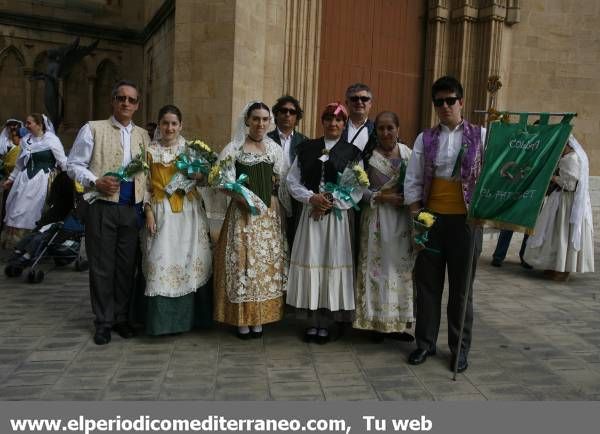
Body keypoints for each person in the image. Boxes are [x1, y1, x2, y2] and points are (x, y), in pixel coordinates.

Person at [404, 76, 486, 373]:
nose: (444, 106)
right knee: (427, 287)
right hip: (431, 220)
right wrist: (416, 214)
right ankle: (424, 344)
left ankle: (459, 349)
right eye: (439, 102)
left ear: (461, 102)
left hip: (466, 222)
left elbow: (492, 176)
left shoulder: (482, 135)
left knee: (462, 289)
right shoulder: (424, 138)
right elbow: (413, 178)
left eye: (450, 100)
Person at [67, 80, 151, 345]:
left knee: (126, 267)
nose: (126, 103)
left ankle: (121, 317)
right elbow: (73, 164)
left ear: (137, 105)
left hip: (131, 208)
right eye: (121, 98)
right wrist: (95, 181)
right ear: (113, 101)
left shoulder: (143, 136)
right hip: (102, 207)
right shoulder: (93, 129)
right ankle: (103, 321)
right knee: (102, 267)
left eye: (131, 99)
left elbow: (147, 174)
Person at [286, 102, 363, 344]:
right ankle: (312, 322)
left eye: (339, 120)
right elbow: (292, 181)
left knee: (330, 263)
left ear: (344, 124)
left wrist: (330, 201)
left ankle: (328, 322)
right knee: (313, 261)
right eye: (329, 119)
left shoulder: (352, 153)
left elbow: (357, 186)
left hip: (336, 220)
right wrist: (312, 198)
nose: (333, 124)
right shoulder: (307, 148)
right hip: (311, 217)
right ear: (323, 121)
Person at [213, 101, 289, 339]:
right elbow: (220, 181)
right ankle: (241, 320)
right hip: (242, 214)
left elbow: (283, 180)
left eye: (265, 119)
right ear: (247, 121)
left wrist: (276, 202)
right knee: (243, 264)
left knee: (264, 265)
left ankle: (260, 319)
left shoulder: (274, 149)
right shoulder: (234, 148)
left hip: (268, 215)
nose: (260, 124)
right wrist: (241, 197)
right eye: (256, 119)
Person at [142, 105, 213, 335]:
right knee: (161, 260)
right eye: (165, 123)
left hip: (189, 213)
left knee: (190, 260)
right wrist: (149, 212)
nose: (169, 128)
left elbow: (204, 181)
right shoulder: (150, 151)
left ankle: (193, 319)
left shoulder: (191, 149)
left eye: (174, 123)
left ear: (181, 125)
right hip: (161, 211)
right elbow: (144, 185)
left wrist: (198, 175)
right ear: (159, 125)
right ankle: (162, 323)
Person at [353, 111, 414, 341]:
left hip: (402, 221)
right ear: (375, 131)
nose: (386, 132)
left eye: (390, 127)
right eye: (381, 128)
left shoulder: (409, 154)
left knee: (400, 272)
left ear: (398, 129)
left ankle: (397, 324)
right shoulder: (367, 156)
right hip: (377, 220)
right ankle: (374, 322)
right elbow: (357, 190)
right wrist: (383, 197)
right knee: (376, 271)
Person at [522, 135, 595, 280]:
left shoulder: (570, 159)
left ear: (567, 145)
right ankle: (554, 265)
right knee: (555, 234)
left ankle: (562, 270)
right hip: (569, 201)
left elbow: (570, 184)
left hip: (567, 203)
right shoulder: (578, 156)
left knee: (562, 234)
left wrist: (553, 177)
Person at [1, 114, 67, 248]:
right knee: (17, 208)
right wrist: (11, 179)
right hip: (24, 179)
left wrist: (72, 177)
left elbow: (63, 161)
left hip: (42, 179)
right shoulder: (26, 140)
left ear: (40, 125)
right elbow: (20, 164)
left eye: (29, 123)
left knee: (34, 210)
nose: (26, 126)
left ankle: (35, 242)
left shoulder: (51, 140)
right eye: (26, 122)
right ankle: (20, 243)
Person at [267, 95, 309, 248]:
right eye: (283, 111)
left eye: (292, 112)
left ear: (297, 117)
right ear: (276, 114)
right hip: (270, 197)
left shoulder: (305, 142)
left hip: (295, 200)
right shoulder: (265, 139)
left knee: (293, 238)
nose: (287, 115)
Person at [0, 118, 23, 240]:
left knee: (14, 208)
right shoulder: (5, 142)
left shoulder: (21, 147)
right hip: (7, 180)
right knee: (6, 207)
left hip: (17, 181)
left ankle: (13, 235)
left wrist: (5, 165)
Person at [342, 83, 375, 153]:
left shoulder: (377, 129)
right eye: (354, 99)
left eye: (364, 99)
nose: (359, 102)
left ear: (370, 104)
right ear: (347, 103)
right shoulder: (339, 126)